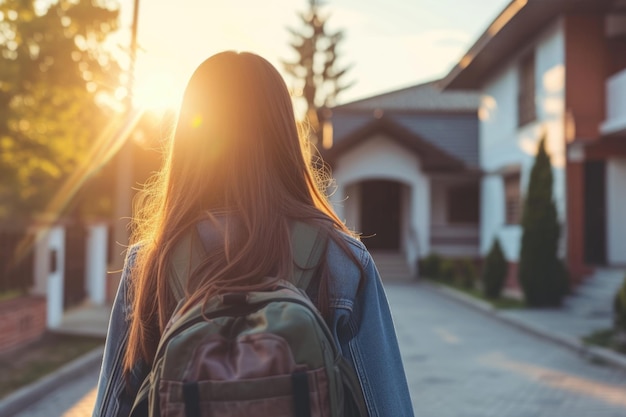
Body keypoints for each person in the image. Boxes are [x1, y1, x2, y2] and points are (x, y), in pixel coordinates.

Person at [92, 51, 414, 417]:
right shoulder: (341, 258)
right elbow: (387, 408)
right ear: (283, 136)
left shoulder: (150, 262)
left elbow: (111, 408)